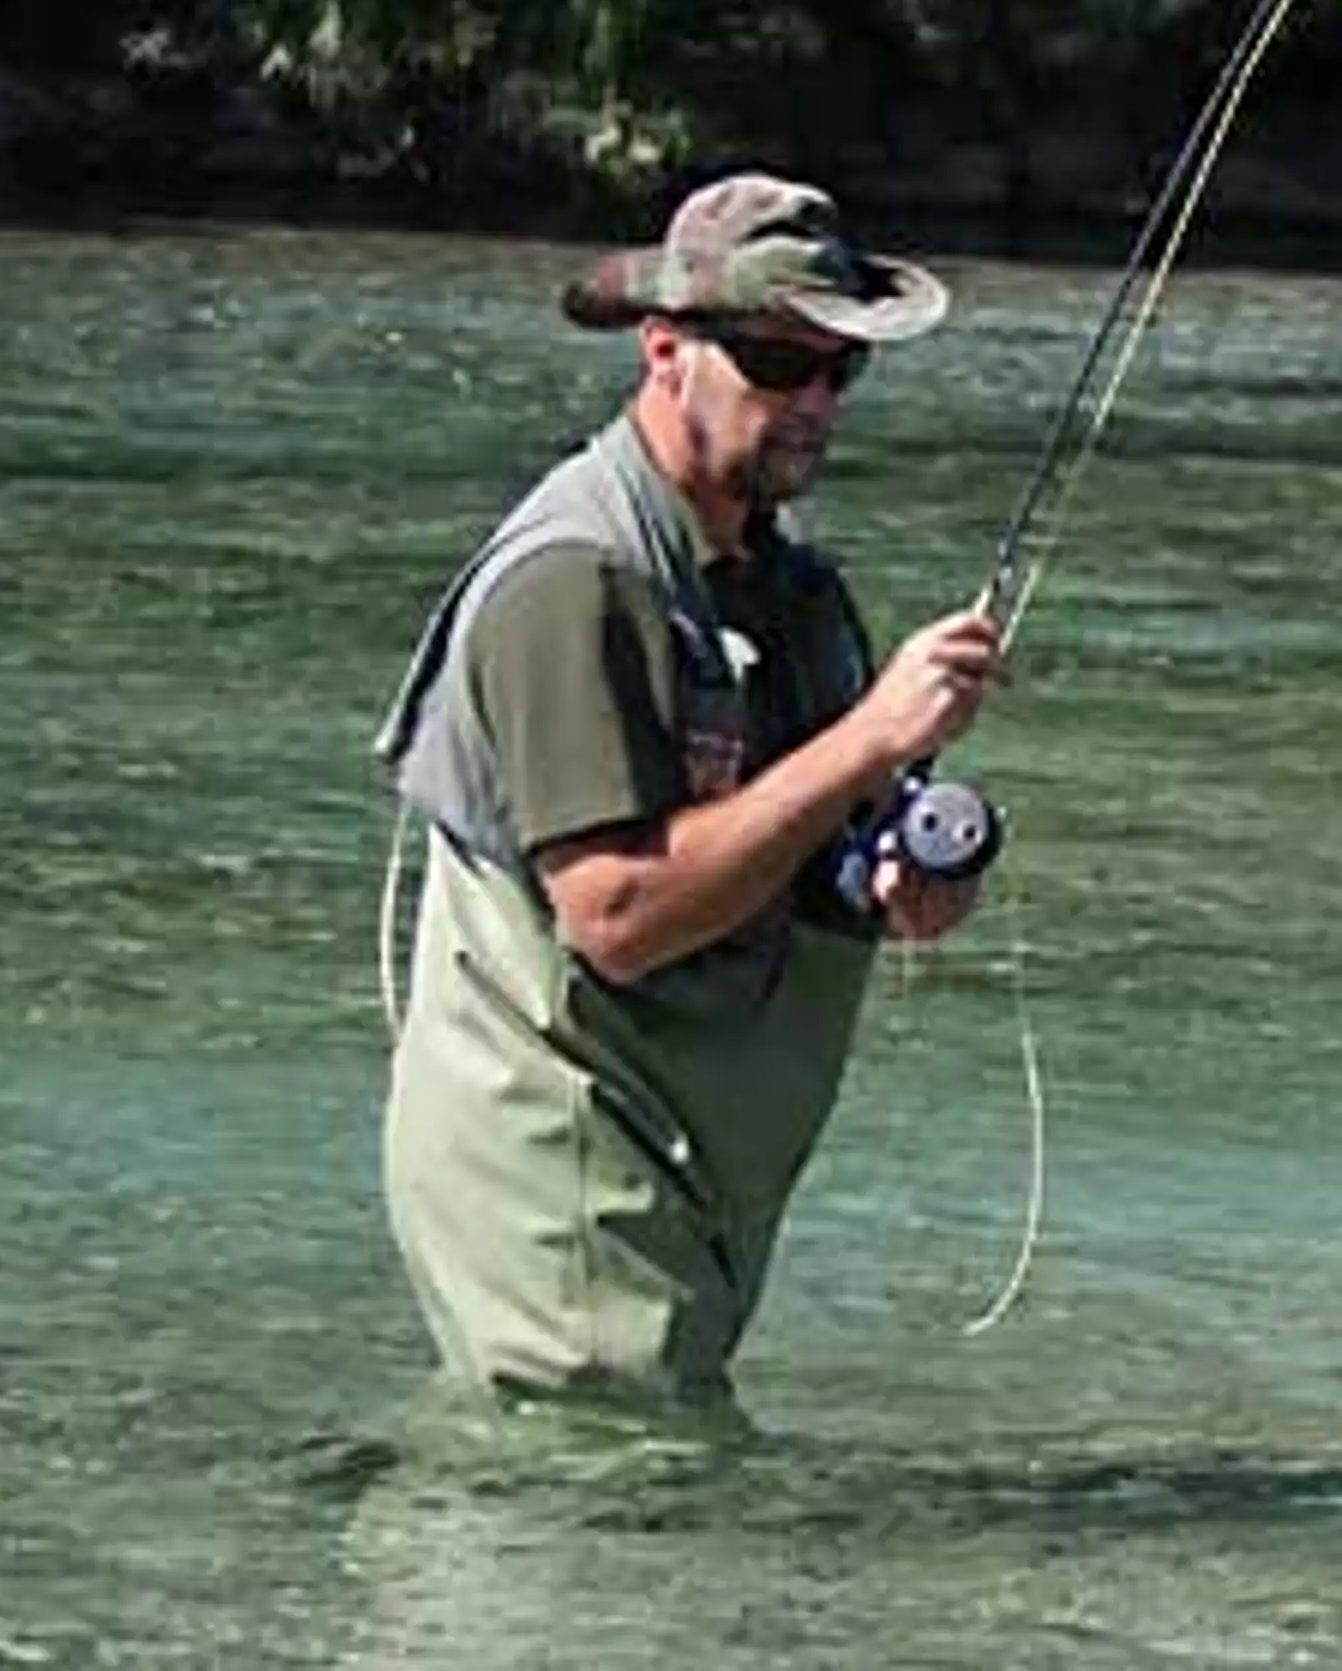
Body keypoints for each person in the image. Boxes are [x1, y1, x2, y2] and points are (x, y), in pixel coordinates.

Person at [373, 172, 1002, 1403]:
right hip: (562, 1178)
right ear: (664, 352)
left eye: (841, 369)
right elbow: (615, 914)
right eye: (778, 361)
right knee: (592, 1532)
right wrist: (872, 741)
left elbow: (802, 845)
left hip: (686, 1173)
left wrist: (891, 884)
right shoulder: (571, 584)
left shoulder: (792, 592)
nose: (814, 400)